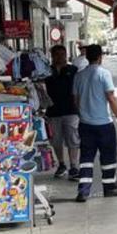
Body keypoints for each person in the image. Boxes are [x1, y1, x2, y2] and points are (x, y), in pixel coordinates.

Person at [72, 44, 117, 202]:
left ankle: (83, 191)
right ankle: (109, 188)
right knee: (108, 158)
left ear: (86, 57)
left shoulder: (79, 76)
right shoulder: (104, 74)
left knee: (86, 158)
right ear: (100, 57)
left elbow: (75, 101)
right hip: (104, 124)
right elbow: (111, 98)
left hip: (85, 124)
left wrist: (83, 114)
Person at [43, 45, 81, 181]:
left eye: (62, 54)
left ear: (66, 55)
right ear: (52, 56)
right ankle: (61, 164)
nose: (60, 57)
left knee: (73, 139)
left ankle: (74, 166)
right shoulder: (46, 72)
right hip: (53, 112)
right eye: (57, 54)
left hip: (71, 110)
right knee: (56, 141)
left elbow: (79, 91)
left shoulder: (73, 70)